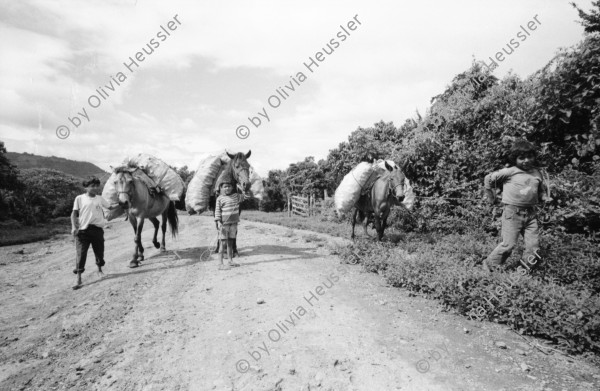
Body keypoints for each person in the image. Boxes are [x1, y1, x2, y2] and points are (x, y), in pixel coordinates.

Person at [482, 140, 550, 272]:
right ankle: (489, 265)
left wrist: (544, 197)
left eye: (529, 156)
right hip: (512, 213)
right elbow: (488, 179)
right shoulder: (510, 172)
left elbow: (540, 190)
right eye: (521, 158)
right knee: (508, 245)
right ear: (515, 159)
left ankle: (525, 269)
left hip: (531, 214)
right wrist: (491, 197)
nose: (526, 160)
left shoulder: (537, 173)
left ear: (534, 157)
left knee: (533, 246)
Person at [71, 177, 118, 279]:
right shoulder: (79, 198)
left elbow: (110, 207)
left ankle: (99, 270)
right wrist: (74, 227)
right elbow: (73, 214)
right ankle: (78, 278)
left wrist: (121, 204)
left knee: (99, 253)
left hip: (97, 230)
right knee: (81, 254)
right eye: (92, 186)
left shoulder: (100, 198)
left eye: (97, 186)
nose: (95, 188)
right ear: (86, 187)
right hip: (83, 231)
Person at [214, 181, 248, 269]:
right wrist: (218, 222)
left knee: (230, 243)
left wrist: (241, 187)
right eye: (225, 187)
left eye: (229, 186)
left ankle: (230, 261)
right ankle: (220, 264)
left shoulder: (236, 196)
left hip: (234, 224)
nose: (227, 188)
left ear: (232, 188)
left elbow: (246, 195)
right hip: (224, 225)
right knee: (223, 243)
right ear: (221, 188)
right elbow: (217, 211)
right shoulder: (220, 199)